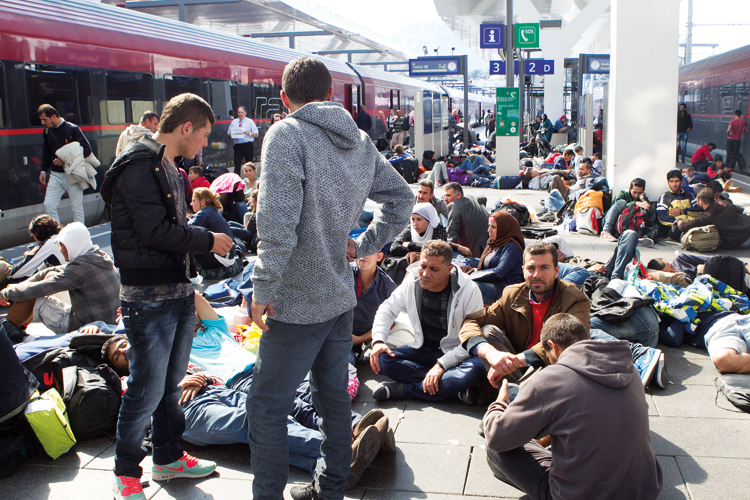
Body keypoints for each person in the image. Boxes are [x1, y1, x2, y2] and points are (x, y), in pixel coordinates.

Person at [247, 57, 412, 500]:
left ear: (284, 98)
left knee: (265, 405)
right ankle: (330, 488)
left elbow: (277, 224)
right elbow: (402, 197)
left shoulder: (286, 134)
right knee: (333, 400)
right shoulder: (358, 140)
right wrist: (364, 243)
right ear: (330, 95)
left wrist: (261, 289)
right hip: (340, 297)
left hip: (298, 302)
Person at [101, 92, 234, 500]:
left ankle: (168, 456)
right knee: (145, 387)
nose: (204, 145)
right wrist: (208, 239)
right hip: (147, 295)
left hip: (175, 288)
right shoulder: (140, 166)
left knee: (170, 384)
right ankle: (126, 472)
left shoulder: (167, 166)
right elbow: (153, 232)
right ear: (186, 127)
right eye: (204, 135)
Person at [483, 313, 663, 500]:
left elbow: (497, 437)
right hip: (644, 490)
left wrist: (500, 402)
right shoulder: (631, 370)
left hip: (581, 495)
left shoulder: (550, 380)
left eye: (548, 356)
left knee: (497, 448)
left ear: (552, 346)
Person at [458, 243, 590, 386]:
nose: (536, 275)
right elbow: (472, 320)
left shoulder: (574, 298)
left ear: (556, 271)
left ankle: (515, 394)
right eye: (531, 268)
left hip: (552, 369)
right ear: (523, 270)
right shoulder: (513, 294)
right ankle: (519, 393)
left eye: (544, 268)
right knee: (488, 330)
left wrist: (516, 361)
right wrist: (490, 353)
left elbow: (571, 341)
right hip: (516, 369)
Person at [369, 240, 485, 403]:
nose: (425, 274)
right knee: (382, 359)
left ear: (449, 269)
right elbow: (387, 308)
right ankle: (452, 388)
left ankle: (405, 389)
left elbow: (472, 339)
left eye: (434, 269)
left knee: (478, 368)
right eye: (423, 266)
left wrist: (442, 365)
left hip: (457, 354)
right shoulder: (413, 280)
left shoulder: (469, 290)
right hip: (423, 349)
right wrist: (379, 341)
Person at [0, 222, 120, 343]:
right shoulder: (97, 256)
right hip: (105, 322)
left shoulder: (80, 269)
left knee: (30, 295)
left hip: (87, 327)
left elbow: (39, 289)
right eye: (60, 246)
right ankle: (14, 329)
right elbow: (54, 270)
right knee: (45, 277)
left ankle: (5, 335)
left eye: (64, 246)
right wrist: (22, 285)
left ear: (74, 244)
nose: (62, 251)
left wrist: (5, 293)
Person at [37, 104, 93, 225]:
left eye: (44, 119)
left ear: (53, 116)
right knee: (48, 205)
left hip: (72, 174)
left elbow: (87, 149)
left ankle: (79, 236)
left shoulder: (72, 129)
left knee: (76, 208)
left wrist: (65, 160)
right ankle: (57, 235)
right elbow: (46, 151)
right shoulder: (47, 131)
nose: (42, 122)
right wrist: (43, 170)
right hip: (55, 175)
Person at [467, 212, 524, 305]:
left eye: (493, 227)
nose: (489, 230)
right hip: (491, 281)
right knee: (466, 262)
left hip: (503, 289)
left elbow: (499, 272)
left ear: (503, 228)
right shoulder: (492, 243)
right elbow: (485, 263)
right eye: (489, 226)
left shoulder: (512, 247)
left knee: (468, 287)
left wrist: (472, 275)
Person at [350, 252, 397, 365]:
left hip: (358, 338)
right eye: (360, 249)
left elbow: (390, 322)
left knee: (344, 363)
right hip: (333, 334)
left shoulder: (388, 287)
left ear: (379, 257)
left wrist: (358, 339)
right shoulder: (344, 273)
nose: (364, 254)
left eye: (370, 251)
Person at [189, 187, 245, 279]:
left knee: (191, 241)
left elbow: (187, 228)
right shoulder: (211, 211)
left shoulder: (205, 212)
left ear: (202, 202)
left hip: (221, 258)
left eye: (194, 201)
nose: (191, 204)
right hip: (228, 256)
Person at [389, 203, 472, 258]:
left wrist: (411, 245)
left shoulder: (438, 230)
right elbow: (394, 247)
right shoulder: (410, 229)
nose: (415, 223)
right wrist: (419, 253)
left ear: (428, 220)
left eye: (419, 219)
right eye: (413, 219)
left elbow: (437, 250)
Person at [677, 187, 750, 249]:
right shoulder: (725, 203)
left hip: (741, 240)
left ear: (700, 201)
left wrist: (679, 220)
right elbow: (741, 211)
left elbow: (683, 226)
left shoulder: (707, 217)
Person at [7, 215, 65, 285]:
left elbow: (15, 274)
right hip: (75, 276)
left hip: (66, 282)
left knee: (11, 281)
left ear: (36, 234)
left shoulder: (48, 244)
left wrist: (27, 257)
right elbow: (38, 271)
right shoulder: (60, 238)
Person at [443, 182, 489, 259]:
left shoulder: (454, 205)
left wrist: (452, 249)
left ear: (458, 195)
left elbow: (452, 234)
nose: (445, 199)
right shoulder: (470, 197)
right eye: (444, 196)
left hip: (474, 250)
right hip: (486, 241)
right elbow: (483, 199)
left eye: (448, 195)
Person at [601, 178, 655, 242]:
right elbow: (617, 206)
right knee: (622, 202)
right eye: (634, 192)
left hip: (628, 226)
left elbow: (651, 212)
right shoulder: (622, 193)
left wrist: (643, 199)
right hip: (612, 222)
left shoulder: (642, 198)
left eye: (639, 193)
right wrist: (635, 203)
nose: (636, 195)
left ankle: (638, 238)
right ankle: (606, 231)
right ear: (630, 189)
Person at [656, 169, 699, 240]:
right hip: (676, 228)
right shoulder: (665, 197)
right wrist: (678, 221)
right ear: (668, 182)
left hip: (691, 224)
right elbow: (662, 217)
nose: (674, 184)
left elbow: (698, 210)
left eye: (677, 181)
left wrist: (681, 212)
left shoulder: (689, 195)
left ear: (681, 182)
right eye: (671, 181)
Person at [227, 106, 259, 174]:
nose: (240, 114)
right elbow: (228, 134)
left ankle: (251, 180)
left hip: (248, 145)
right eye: (239, 112)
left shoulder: (250, 122)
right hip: (238, 146)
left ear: (245, 113)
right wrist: (234, 134)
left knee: (249, 165)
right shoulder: (234, 122)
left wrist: (249, 133)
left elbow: (256, 134)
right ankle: (237, 182)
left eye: (242, 112)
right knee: (237, 165)